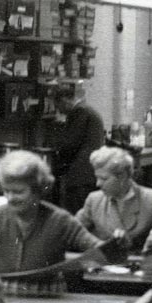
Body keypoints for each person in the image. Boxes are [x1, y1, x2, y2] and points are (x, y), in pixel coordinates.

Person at [0, 150, 102, 295]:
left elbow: (100, 250)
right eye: (6, 191)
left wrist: (118, 243)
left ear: (37, 190)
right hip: (4, 297)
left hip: (48, 297)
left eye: (18, 192)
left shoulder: (60, 220)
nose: (10, 198)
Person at [77, 146, 152, 253]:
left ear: (123, 177)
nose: (98, 184)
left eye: (104, 179)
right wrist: (100, 245)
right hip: (101, 271)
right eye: (97, 178)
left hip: (141, 270)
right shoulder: (94, 200)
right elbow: (73, 232)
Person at [53, 85, 105, 214]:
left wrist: (57, 157)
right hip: (91, 171)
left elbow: (70, 144)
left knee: (77, 214)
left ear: (64, 100)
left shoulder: (79, 112)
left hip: (79, 174)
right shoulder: (89, 110)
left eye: (58, 106)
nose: (59, 112)